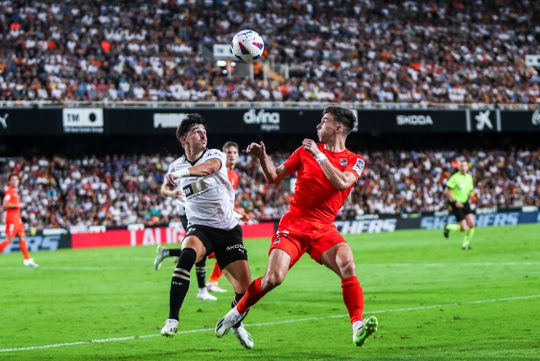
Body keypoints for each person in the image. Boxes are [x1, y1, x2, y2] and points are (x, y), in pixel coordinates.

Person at [215, 107, 378, 348]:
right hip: (295, 224)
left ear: (338, 128)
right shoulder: (304, 151)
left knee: (348, 264)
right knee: (274, 278)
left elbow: (342, 182)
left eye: (323, 122)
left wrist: (320, 156)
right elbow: (274, 176)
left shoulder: (355, 160)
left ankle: (357, 326)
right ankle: (236, 313)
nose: (317, 126)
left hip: (323, 228)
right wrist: (262, 157)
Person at [159, 114, 254, 349]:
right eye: (196, 131)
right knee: (187, 255)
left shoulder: (214, 155)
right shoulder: (175, 165)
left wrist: (179, 177)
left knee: (246, 292)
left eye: (204, 130)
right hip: (200, 227)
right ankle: (172, 318)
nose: (203, 134)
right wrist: (171, 190)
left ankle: (235, 322)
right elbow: (165, 185)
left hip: (228, 229)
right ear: (184, 139)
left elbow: (207, 169)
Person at [154, 141, 242, 298]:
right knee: (201, 250)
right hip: (188, 213)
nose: (231, 156)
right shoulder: (176, 165)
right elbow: (163, 188)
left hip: (211, 215)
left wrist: (235, 211)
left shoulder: (222, 168)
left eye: (234, 153)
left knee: (203, 251)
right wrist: (171, 194)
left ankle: (168, 253)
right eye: (229, 152)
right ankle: (203, 289)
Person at [0, 174, 38, 267]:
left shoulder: (14, 191)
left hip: (17, 218)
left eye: (16, 179)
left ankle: (27, 259)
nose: (15, 181)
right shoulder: (9, 191)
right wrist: (18, 205)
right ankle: (27, 259)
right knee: (9, 240)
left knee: (22, 237)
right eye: (13, 179)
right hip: (12, 218)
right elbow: (4, 204)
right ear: (9, 181)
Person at [443, 161, 476, 250]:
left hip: (465, 202)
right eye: (461, 166)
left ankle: (465, 245)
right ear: (459, 168)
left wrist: (473, 195)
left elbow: (470, 191)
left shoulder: (469, 177)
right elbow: (446, 191)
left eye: (465, 166)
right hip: (456, 203)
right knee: (464, 228)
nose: (463, 167)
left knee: (472, 224)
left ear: (467, 168)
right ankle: (448, 227)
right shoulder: (454, 177)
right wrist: (455, 202)